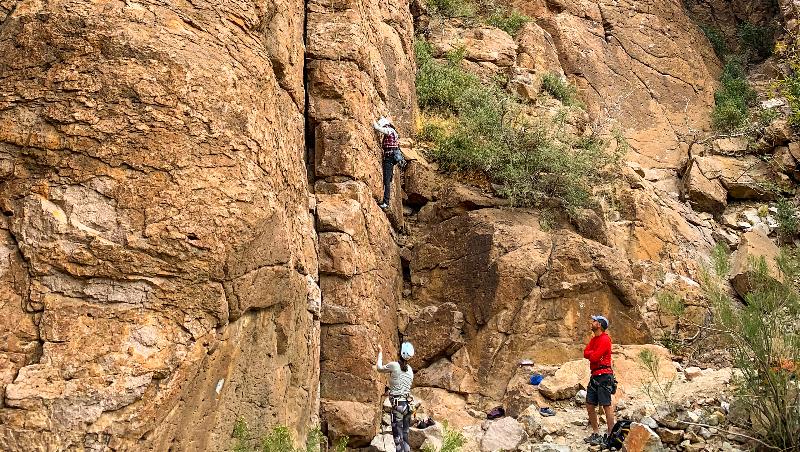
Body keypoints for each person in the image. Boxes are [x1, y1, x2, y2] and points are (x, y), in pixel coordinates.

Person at [376, 341, 415, 452]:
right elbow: (402, 387)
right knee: (405, 437)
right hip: (408, 406)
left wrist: (380, 352)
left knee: (398, 440)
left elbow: (379, 368)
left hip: (398, 406)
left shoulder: (394, 365)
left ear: (400, 352)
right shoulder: (410, 370)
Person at [583, 315, 615, 446]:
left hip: (604, 375)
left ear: (599, 325)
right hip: (595, 375)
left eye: (594, 321)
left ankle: (611, 435)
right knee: (590, 405)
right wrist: (592, 353)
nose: (592, 322)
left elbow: (594, 357)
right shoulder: (594, 339)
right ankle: (596, 433)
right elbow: (585, 353)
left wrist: (592, 353)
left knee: (606, 405)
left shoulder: (605, 339)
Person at [373, 117, 406, 210]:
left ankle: (386, 203)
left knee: (386, 180)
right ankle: (386, 201)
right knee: (388, 179)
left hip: (389, 158)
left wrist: (372, 119)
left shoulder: (389, 130)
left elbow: (377, 128)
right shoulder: (394, 132)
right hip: (392, 158)